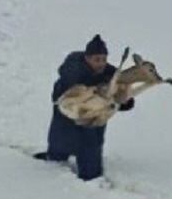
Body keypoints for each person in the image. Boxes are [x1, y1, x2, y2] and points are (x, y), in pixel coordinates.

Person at [33, 34, 135, 181]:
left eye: (104, 59)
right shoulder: (73, 67)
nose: (101, 63)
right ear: (87, 58)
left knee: (90, 140)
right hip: (68, 105)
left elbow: (119, 96)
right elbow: (68, 79)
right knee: (60, 135)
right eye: (97, 60)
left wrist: (124, 100)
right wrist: (92, 87)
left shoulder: (110, 73)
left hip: (94, 113)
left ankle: (91, 175)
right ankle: (55, 157)